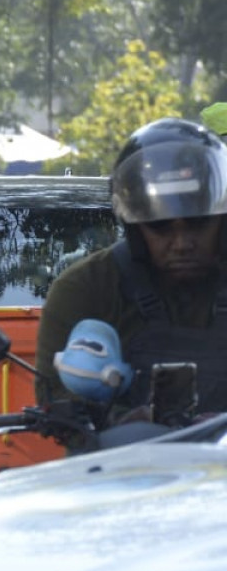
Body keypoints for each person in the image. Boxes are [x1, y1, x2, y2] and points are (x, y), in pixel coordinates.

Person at [37, 117, 227, 414]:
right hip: (120, 456)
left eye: (198, 224)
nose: (181, 243)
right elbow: (55, 397)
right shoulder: (86, 290)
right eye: (161, 227)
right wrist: (122, 420)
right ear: (136, 229)